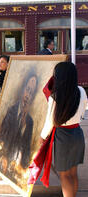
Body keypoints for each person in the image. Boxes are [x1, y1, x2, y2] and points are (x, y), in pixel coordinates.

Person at [40, 62, 87, 197]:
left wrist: (42, 137)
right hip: (77, 133)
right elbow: (83, 111)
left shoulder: (54, 96)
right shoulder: (81, 90)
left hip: (63, 136)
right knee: (73, 172)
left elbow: (50, 121)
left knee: (64, 175)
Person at [0, 72, 38, 174]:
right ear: (22, 89)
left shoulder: (30, 121)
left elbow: (27, 149)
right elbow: (2, 136)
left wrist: (23, 166)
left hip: (17, 167)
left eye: (31, 93)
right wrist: (4, 156)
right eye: (27, 90)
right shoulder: (11, 111)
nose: (28, 95)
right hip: (5, 159)